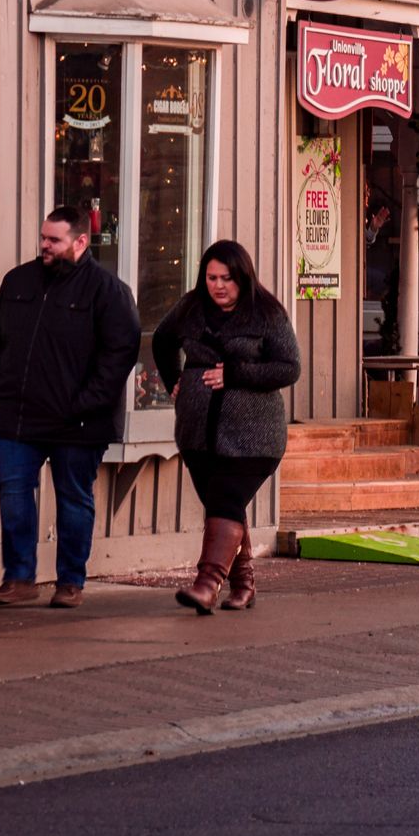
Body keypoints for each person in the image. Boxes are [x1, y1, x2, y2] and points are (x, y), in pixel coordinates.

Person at [0, 207, 142, 608]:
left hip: (78, 421)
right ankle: (19, 579)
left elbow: (119, 355)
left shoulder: (108, 291)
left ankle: (70, 582)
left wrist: (85, 403)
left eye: (54, 240)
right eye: (43, 238)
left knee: (74, 499)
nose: (44, 246)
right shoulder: (18, 281)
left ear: (81, 242)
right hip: (15, 414)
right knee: (14, 495)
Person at [152, 240, 302, 613]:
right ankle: (244, 583)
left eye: (226, 278)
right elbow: (161, 340)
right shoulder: (190, 307)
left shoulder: (267, 314)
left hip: (253, 438)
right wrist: (174, 380)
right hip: (198, 433)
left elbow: (289, 367)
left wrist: (236, 373)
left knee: (226, 499)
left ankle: (207, 583)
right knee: (225, 506)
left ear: (242, 277)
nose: (218, 286)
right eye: (211, 278)